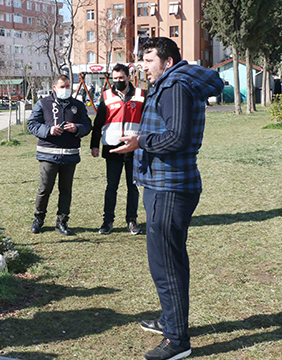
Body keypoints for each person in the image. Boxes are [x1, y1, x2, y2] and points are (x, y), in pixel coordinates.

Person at [111, 37, 223, 360]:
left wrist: (140, 141)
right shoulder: (172, 82)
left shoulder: (175, 86)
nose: (142, 67)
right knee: (168, 261)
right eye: (142, 60)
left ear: (167, 62)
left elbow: (177, 136)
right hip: (164, 184)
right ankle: (170, 321)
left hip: (170, 187)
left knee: (166, 266)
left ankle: (177, 341)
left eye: (148, 60)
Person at [28, 74, 92, 235]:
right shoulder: (43, 103)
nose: (66, 89)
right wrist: (48, 130)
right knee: (45, 189)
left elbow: (87, 125)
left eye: (68, 86)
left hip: (70, 155)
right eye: (62, 87)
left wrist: (76, 128)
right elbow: (32, 124)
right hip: (49, 154)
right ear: (55, 88)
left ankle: (62, 222)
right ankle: (39, 219)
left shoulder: (77, 105)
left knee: (66, 190)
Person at [91, 63, 145, 235]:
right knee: (111, 186)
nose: (118, 81)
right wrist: (94, 144)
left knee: (133, 186)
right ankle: (107, 222)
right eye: (115, 79)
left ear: (129, 77)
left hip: (133, 147)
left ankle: (132, 220)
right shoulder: (106, 96)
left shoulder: (141, 95)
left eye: (121, 78)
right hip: (112, 148)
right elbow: (98, 122)